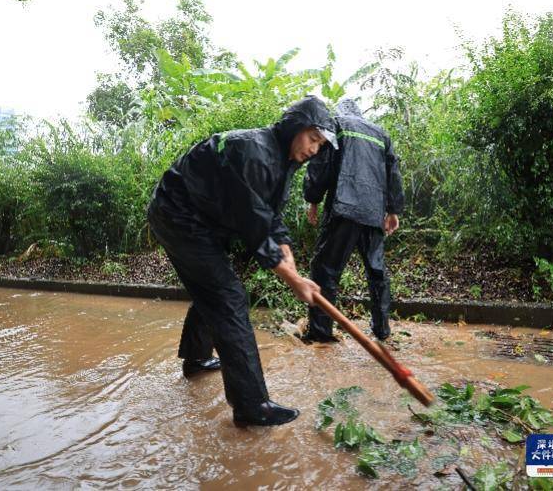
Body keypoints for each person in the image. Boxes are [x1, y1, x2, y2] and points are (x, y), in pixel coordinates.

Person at [147, 95, 338, 427]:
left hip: (202, 220)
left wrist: (289, 257)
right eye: (313, 139)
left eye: (320, 144)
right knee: (229, 296)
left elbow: (271, 219)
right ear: (296, 128)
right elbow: (254, 229)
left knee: (215, 290)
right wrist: (293, 281)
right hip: (179, 216)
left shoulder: (283, 160)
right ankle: (252, 406)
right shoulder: (254, 153)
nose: (314, 150)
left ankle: (196, 359)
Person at [302, 98, 404, 343]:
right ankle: (382, 331)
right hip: (373, 213)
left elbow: (321, 165)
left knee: (325, 271)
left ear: (339, 111)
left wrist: (313, 199)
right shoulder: (380, 133)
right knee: (377, 273)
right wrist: (393, 210)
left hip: (343, 210)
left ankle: (320, 332)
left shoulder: (336, 125)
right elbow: (393, 174)